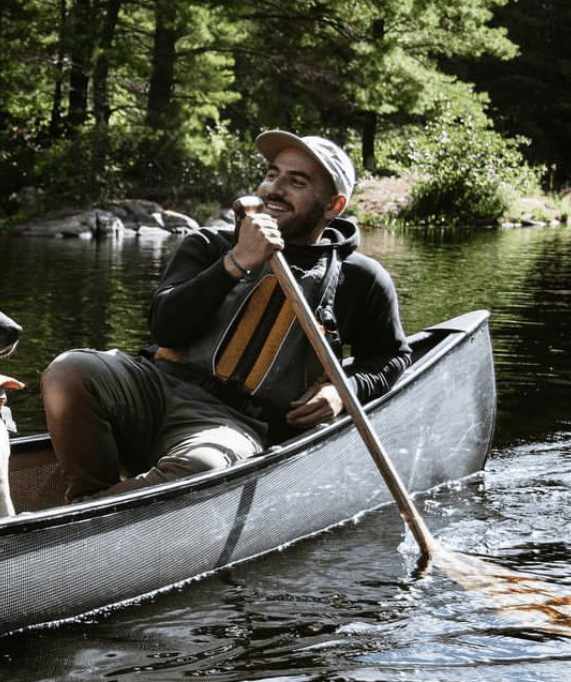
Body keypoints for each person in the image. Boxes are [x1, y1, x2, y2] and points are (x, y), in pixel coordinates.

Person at [40, 130, 411, 502]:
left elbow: (392, 357)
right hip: (154, 388)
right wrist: (234, 264)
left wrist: (343, 392)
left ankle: (91, 517)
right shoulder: (209, 244)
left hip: (236, 422)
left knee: (204, 468)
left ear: (334, 205)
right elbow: (165, 328)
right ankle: (89, 496)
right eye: (271, 174)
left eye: (296, 182)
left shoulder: (360, 279)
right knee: (68, 370)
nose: (274, 189)